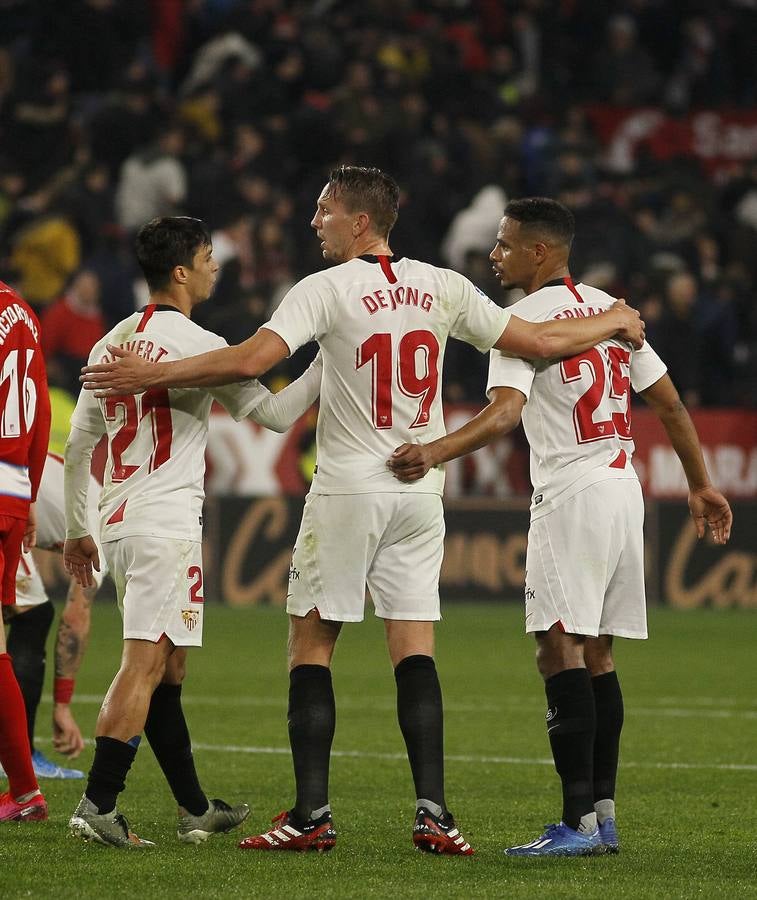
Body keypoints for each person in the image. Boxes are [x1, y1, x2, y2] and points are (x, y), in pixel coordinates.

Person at [80, 166, 645, 854]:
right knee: (413, 647)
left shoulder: (323, 289)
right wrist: (614, 316)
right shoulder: (442, 285)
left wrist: (156, 372)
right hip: (417, 490)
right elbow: (540, 343)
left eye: (322, 210)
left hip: (349, 488)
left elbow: (250, 359)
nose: (312, 221)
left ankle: (311, 816)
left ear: (357, 222)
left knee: (310, 643)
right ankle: (435, 814)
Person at [387, 197, 733, 857]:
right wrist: (698, 482)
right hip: (621, 485)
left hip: (570, 493)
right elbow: (667, 400)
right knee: (597, 651)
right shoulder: (612, 311)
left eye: (504, 244)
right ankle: (601, 819)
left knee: (556, 648)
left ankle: (575, 824)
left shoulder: (516, 320)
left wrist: (432, 451)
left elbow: (501, 415)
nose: (493, 255)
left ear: (538, 252)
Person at [63, 216, 322, 848]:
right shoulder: (200, 345)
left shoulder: (111, 343)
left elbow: (78, 446)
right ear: (180, 271)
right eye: (208, 257)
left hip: (122, 521)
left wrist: (78, 528)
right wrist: (330, 363)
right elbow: (277, 415)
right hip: (163, 524)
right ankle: (97, 805)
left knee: (170, 667)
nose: (215, 266)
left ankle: (195, 807)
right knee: (144, 663)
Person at [3, 450, 107, 781]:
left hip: (10, 500)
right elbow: (76, 618)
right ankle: (20, 756)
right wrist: (62, 706)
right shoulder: (102, 526)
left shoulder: (93, 493)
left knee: (29, 615)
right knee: (32, 617)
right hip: (7, 507)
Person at [0, 279, 51, 823]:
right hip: (11, 490)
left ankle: (25, 790)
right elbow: (35, 416)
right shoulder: (21, 311)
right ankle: (24, 791)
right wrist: (28, 496)